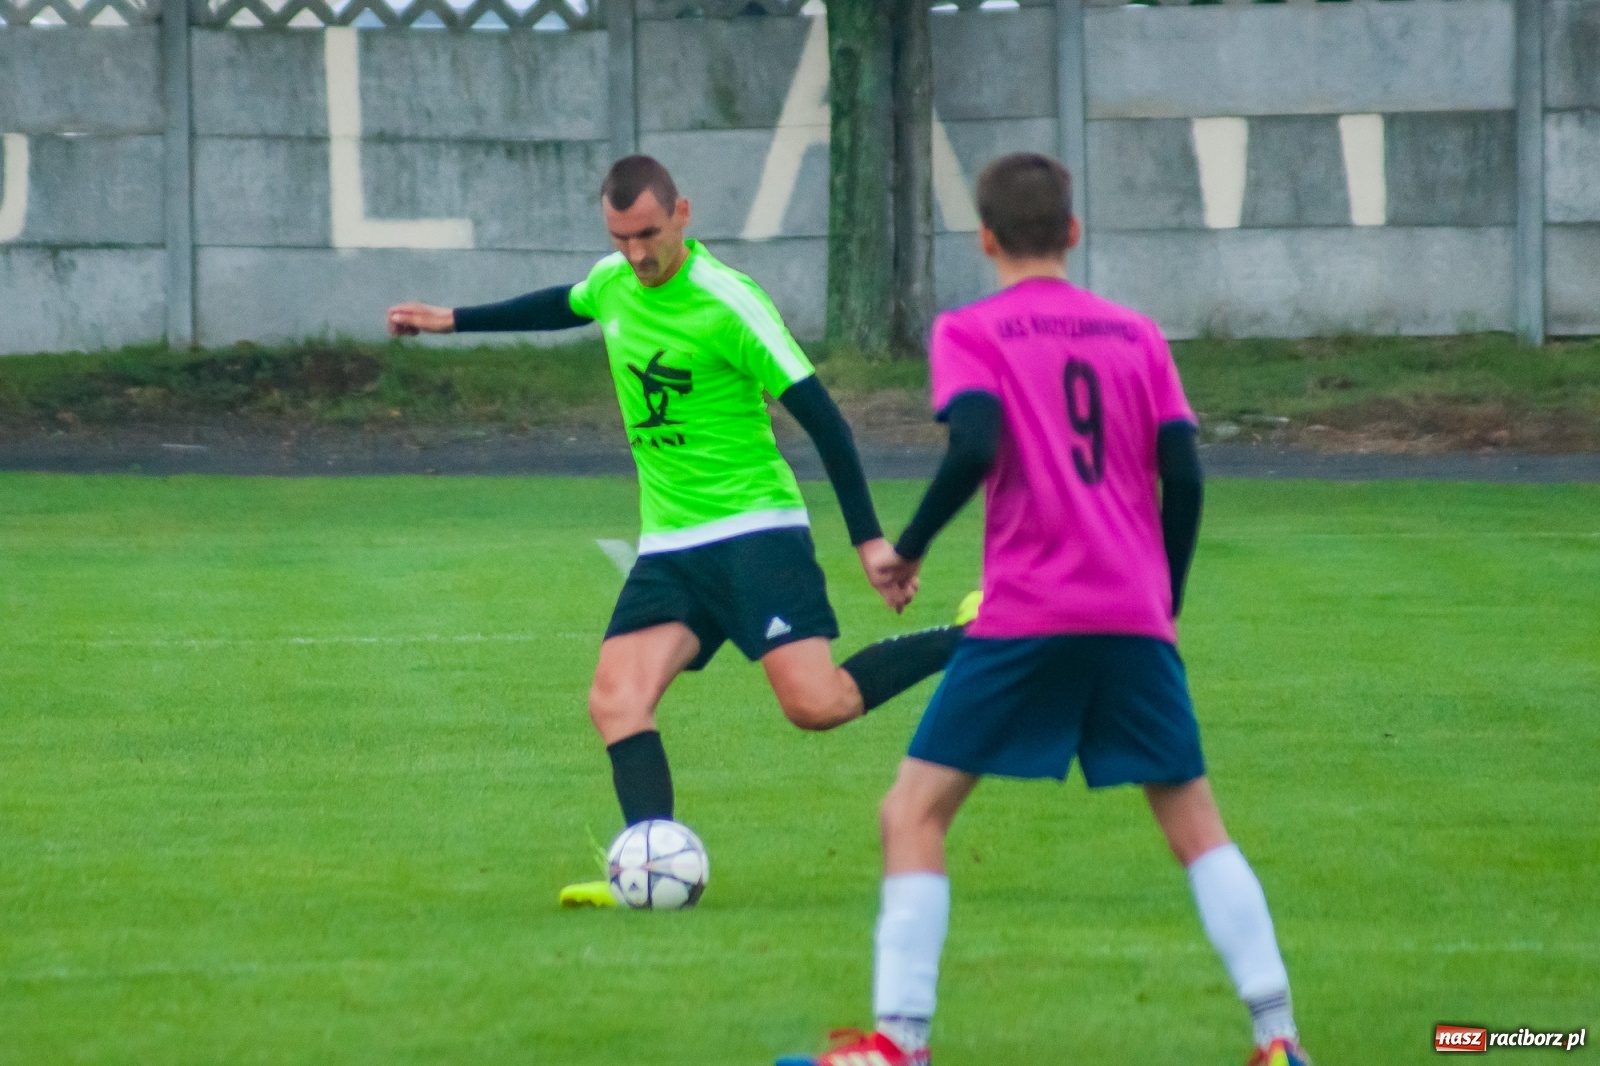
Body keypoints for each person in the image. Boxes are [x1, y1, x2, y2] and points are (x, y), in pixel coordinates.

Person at [783, 154, 1310, 1066]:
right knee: (1195, 824)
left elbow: (977, 441)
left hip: (1027, 614)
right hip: (1131, 617)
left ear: (984, 237)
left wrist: (906, 548)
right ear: (1073, 231)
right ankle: (1278, 1040)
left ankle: (898, 1045)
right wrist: (1166, 596)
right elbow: (1182, 470)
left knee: (912, 814)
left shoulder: (972, 331)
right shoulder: (1138, 335)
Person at [387, 155, 965, 908]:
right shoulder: (613, 282)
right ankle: (652, 867)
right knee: (616, 699)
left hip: (755, 530)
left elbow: (826, 424)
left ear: (683, 215)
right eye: (620, 237)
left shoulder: (728, 303)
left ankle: (975, 637)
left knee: (816, 706)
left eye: (649, 235)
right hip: (670, 544)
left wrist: (869, 542)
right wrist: (450, 319)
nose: (635, 253)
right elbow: (565, 303)